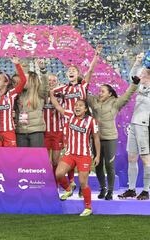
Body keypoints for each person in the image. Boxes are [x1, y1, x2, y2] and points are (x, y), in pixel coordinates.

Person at [53, 45, 103, 191]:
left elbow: (91, 70)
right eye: (69, 71)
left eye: (73, 70)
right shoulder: (64, 88)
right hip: (68, 121)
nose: (70, 71)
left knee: (83, 147)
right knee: (70, 150)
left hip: (83, 121)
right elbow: (53, 93)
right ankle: (71, 181)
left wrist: (96, 55)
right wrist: (52, 94)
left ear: (78, 74)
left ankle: (82, 181)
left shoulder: (82, 86)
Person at [50, 91, 100, 217]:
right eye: (76, 105)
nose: (77, 107)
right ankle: (68, 189)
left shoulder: (91, 121)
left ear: (85, 109)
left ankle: (88, 207)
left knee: (83, 183)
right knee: (58, 174)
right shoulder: (70, 115)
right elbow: (57, 106)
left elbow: (96, 138)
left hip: (84, 155)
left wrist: (98, 155)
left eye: (80, 105)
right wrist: (51, 93)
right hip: (70, 154)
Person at [87, 79, 138, 200]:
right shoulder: (93, 100)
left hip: (110, 139)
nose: (100, 93)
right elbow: (81, 92)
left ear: (110, 93)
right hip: (96, 139)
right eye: (99, 91)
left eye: (103, 91)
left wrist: (134, 84)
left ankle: (110, 191)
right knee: (98, 165)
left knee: (109, 166)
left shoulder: (115, 103)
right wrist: (79, 82)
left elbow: (127, 95)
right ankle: (102, 188)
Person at [118, 53, 150, 200]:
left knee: (145, 159)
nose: (140, 75)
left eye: (143, 73)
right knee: (132, 158)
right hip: (134, 124)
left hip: (145, 126)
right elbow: (132, 76)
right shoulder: (140, 86)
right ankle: (131, 189)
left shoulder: (146, 87)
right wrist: (137, 62)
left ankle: (146, 190)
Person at [15, 59, 48, 147]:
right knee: (21, 159)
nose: (22, 81)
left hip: (36, 131)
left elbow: (45, 85)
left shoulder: (39, 93)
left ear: (32, 80)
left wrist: (43, 70)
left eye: (25, 79)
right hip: (21, 132)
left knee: (36, 159)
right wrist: (19, 65)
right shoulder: (19, 94)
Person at [43, 74, 64, 177]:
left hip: (57, 132)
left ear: (57, 82)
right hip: (44, 132)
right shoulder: (41, 95)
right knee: (45, 161)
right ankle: (47, 183)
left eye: (53, 80)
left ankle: (56, 183)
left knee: (55, 161)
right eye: (49, 80)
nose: (51, 82)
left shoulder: (62, 96)